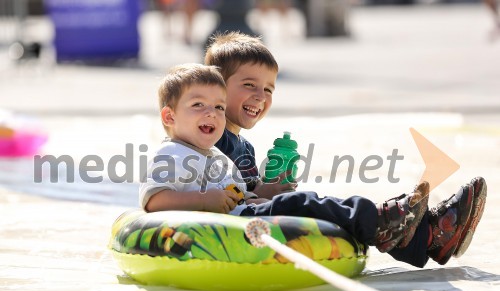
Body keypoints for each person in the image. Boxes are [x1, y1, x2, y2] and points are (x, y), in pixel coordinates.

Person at [139, 63, 487, 269]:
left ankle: (428, 235)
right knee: (298, 204)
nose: (211, 114)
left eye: (217, 107)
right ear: (169, 116)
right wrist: (204, 202)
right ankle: (385, 218)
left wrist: (261, 195)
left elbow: (240, 195)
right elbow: (153, 201)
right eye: (198, 105)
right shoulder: (172, 154)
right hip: (218, 229)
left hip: (242, 216)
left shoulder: (216, 157)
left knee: (310, 202)